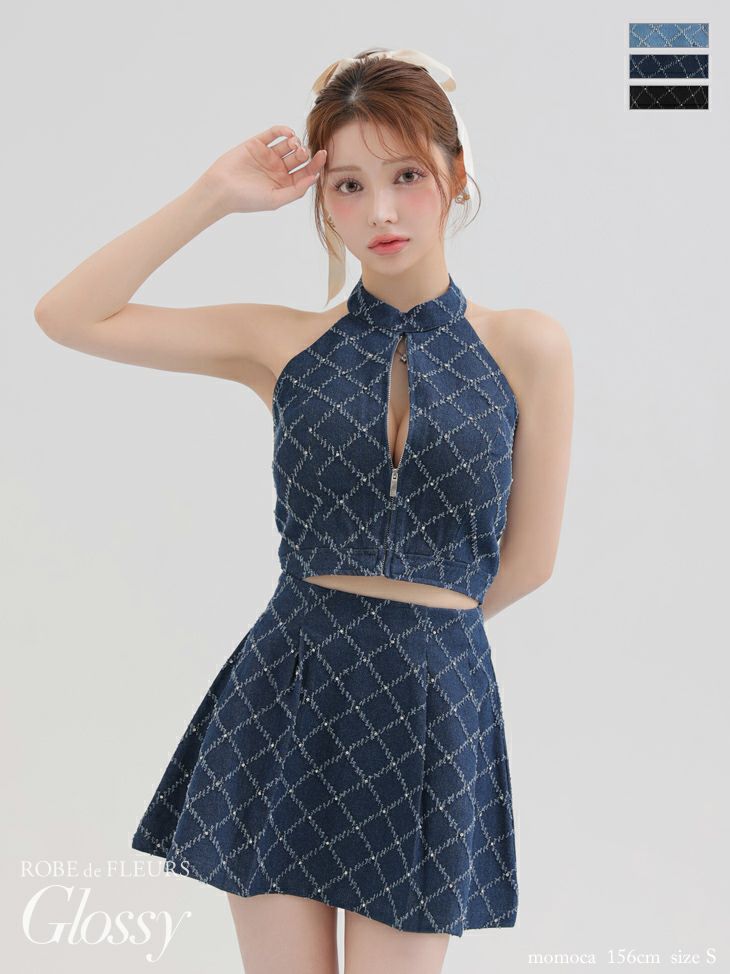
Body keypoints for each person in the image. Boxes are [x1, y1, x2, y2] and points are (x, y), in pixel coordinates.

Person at [34, 46, 573, 974]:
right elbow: (68, 315)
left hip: (432, 706)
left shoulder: (529, 347)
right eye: (350, 186)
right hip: (288, 693)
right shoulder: (281, 342)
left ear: (456, 173)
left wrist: (418, 646)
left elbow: (529, 562)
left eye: (406, 176)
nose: (382, 212)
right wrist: (213, 195)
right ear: (322, 201)